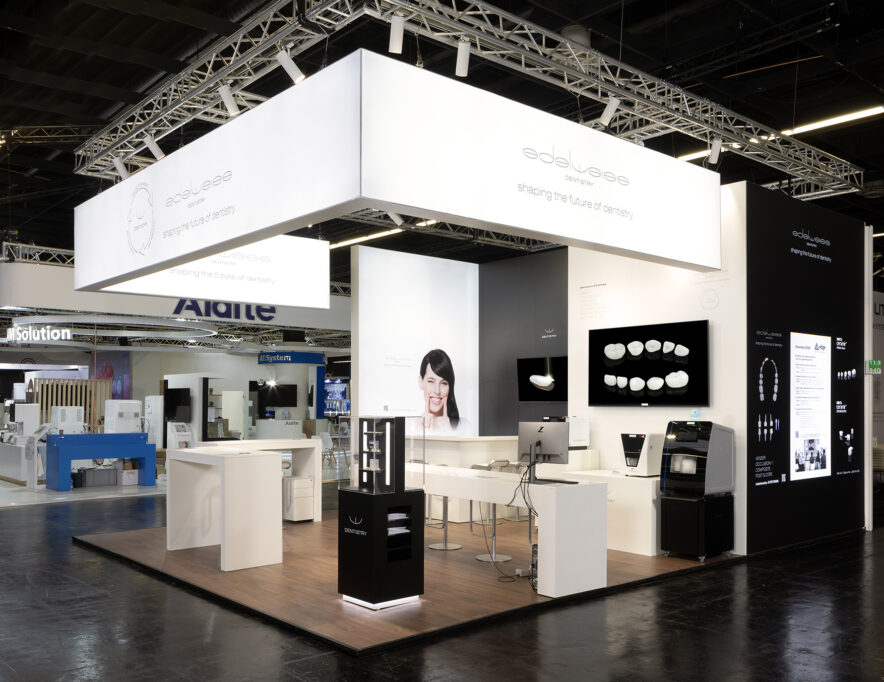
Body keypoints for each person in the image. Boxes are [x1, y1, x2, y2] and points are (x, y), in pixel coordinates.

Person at [418, 349, 460, 432]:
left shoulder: (464, 426)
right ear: (421, 382)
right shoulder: (410, 427)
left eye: (443, 383)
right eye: (431, 381)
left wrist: (450, 435)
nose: (437, 391)